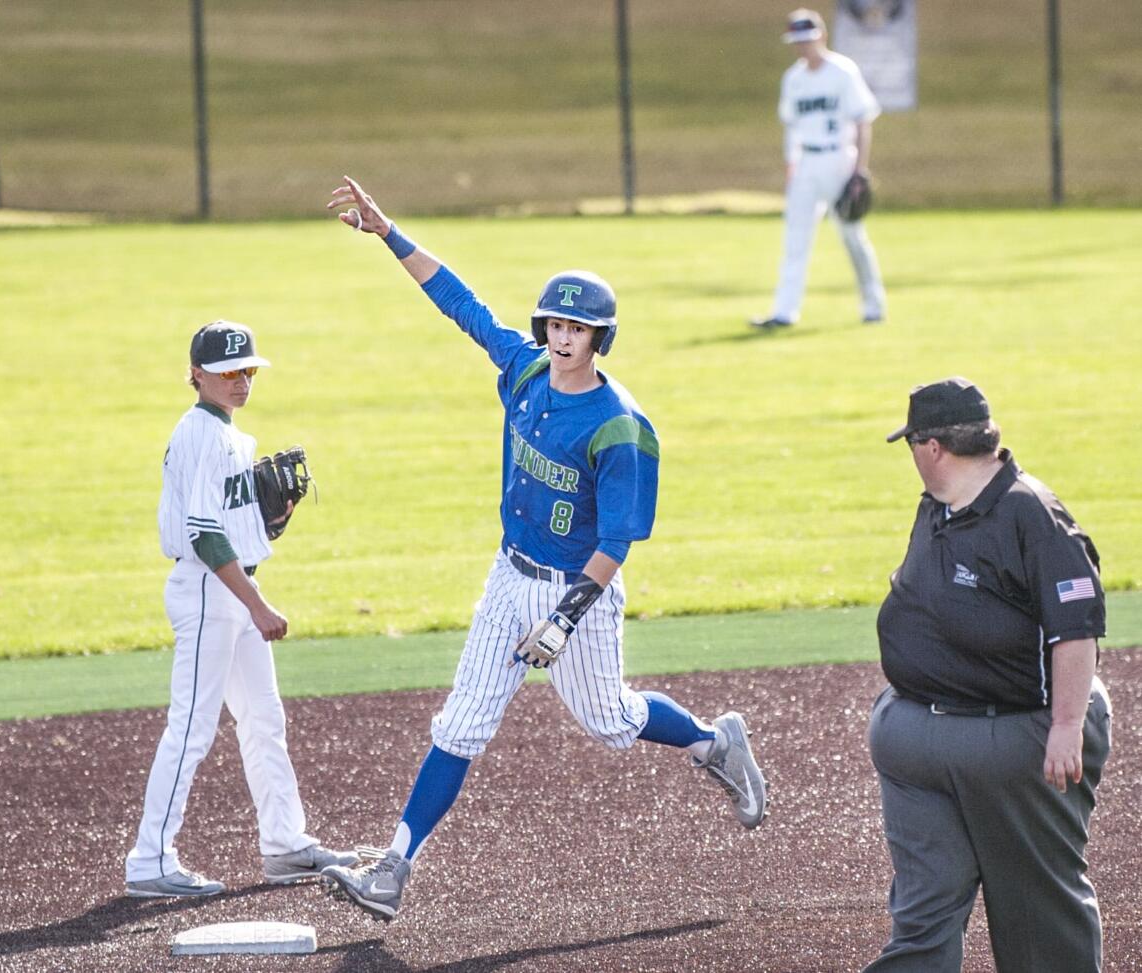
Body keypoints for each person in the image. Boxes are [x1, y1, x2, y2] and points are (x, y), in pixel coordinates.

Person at [318, 176, 768, 921]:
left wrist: (564, 617)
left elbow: (618, 540)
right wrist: (388, 230)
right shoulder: (525, 369)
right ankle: (393, 868)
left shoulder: (621, 427)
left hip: (579, 590)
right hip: (509, 576)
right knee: (460, 724)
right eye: (555, 323)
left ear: (600, 339)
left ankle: (714, 742)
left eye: (578, 329)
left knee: (612, 723)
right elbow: (462, 305)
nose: (562, 338)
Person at [864, 377, 1112, 971]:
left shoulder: (1034, 515)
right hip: (918, 741)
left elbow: (1075, 629)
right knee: (923, 912)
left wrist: (1067, 725)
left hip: (1016, 736)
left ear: (931, 447)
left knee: (1038, 914)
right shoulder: (940, 507)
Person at [124, 320, 357, 897]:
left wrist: (269, 523)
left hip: (229, 586)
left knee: (263, 719)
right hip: (212, 591)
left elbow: (232, 526)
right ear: (197, 375)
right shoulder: (201, 432)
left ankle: (284, 843)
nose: (240, 380)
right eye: (228, 372)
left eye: (247, 369)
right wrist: (256, 605)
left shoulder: (229, 435)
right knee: (192, 727)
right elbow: (203, 534)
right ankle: (150, 860)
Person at [751, 8, 886, 330]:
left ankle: (873, 306)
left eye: (808, 40)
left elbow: (863, 121)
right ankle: (785, 312)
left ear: (822, 36)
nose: (803, 47)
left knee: (852, 235)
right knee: (795, 238)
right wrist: (791, 165)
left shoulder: (842, 71)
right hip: (806, 163)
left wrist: (859, 171)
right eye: (797, 41)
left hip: (839, 158)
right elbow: (792, 127)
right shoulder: (794, 79)